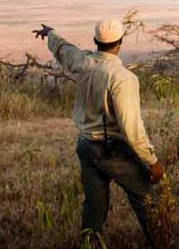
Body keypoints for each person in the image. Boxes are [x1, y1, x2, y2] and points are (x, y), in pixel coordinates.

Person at [32, 20, 164, 246]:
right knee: (145, 198)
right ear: (120, 42)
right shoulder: (122, 78)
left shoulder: (83, 61)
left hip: (86, 146)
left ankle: (90, 243)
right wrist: (151, 161)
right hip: (112, 150)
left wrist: (51, 33)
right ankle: (161, 242)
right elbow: (131, 129)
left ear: (95, 41)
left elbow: (64, 49)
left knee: (94, 205)